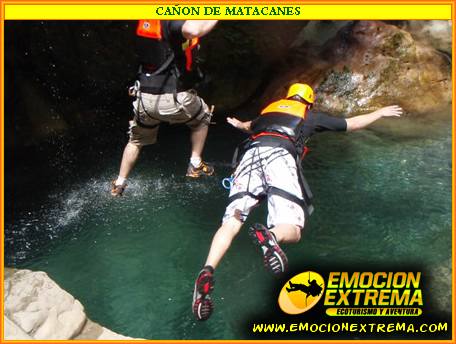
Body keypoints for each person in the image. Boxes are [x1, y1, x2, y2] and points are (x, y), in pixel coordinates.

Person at [191, 83, 403, 320]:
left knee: (231, 222)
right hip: (279, 158)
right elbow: (350, 124)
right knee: (293, 228)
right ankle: (272, 237)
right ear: (308, 102)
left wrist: (238, 124)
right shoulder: (309, 116)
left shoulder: (268, 112)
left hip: (249, 160)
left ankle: (208, 269)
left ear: (289, 96)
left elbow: (249, 126)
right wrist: (379, 113)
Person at [111, 20, 219, 196]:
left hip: (144, 98)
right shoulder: (170, 19)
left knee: (136, 141)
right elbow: (193, 29)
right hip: (174, 98)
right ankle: (195, 162)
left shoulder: (142, 23)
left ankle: (120, 183)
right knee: (203, 116)